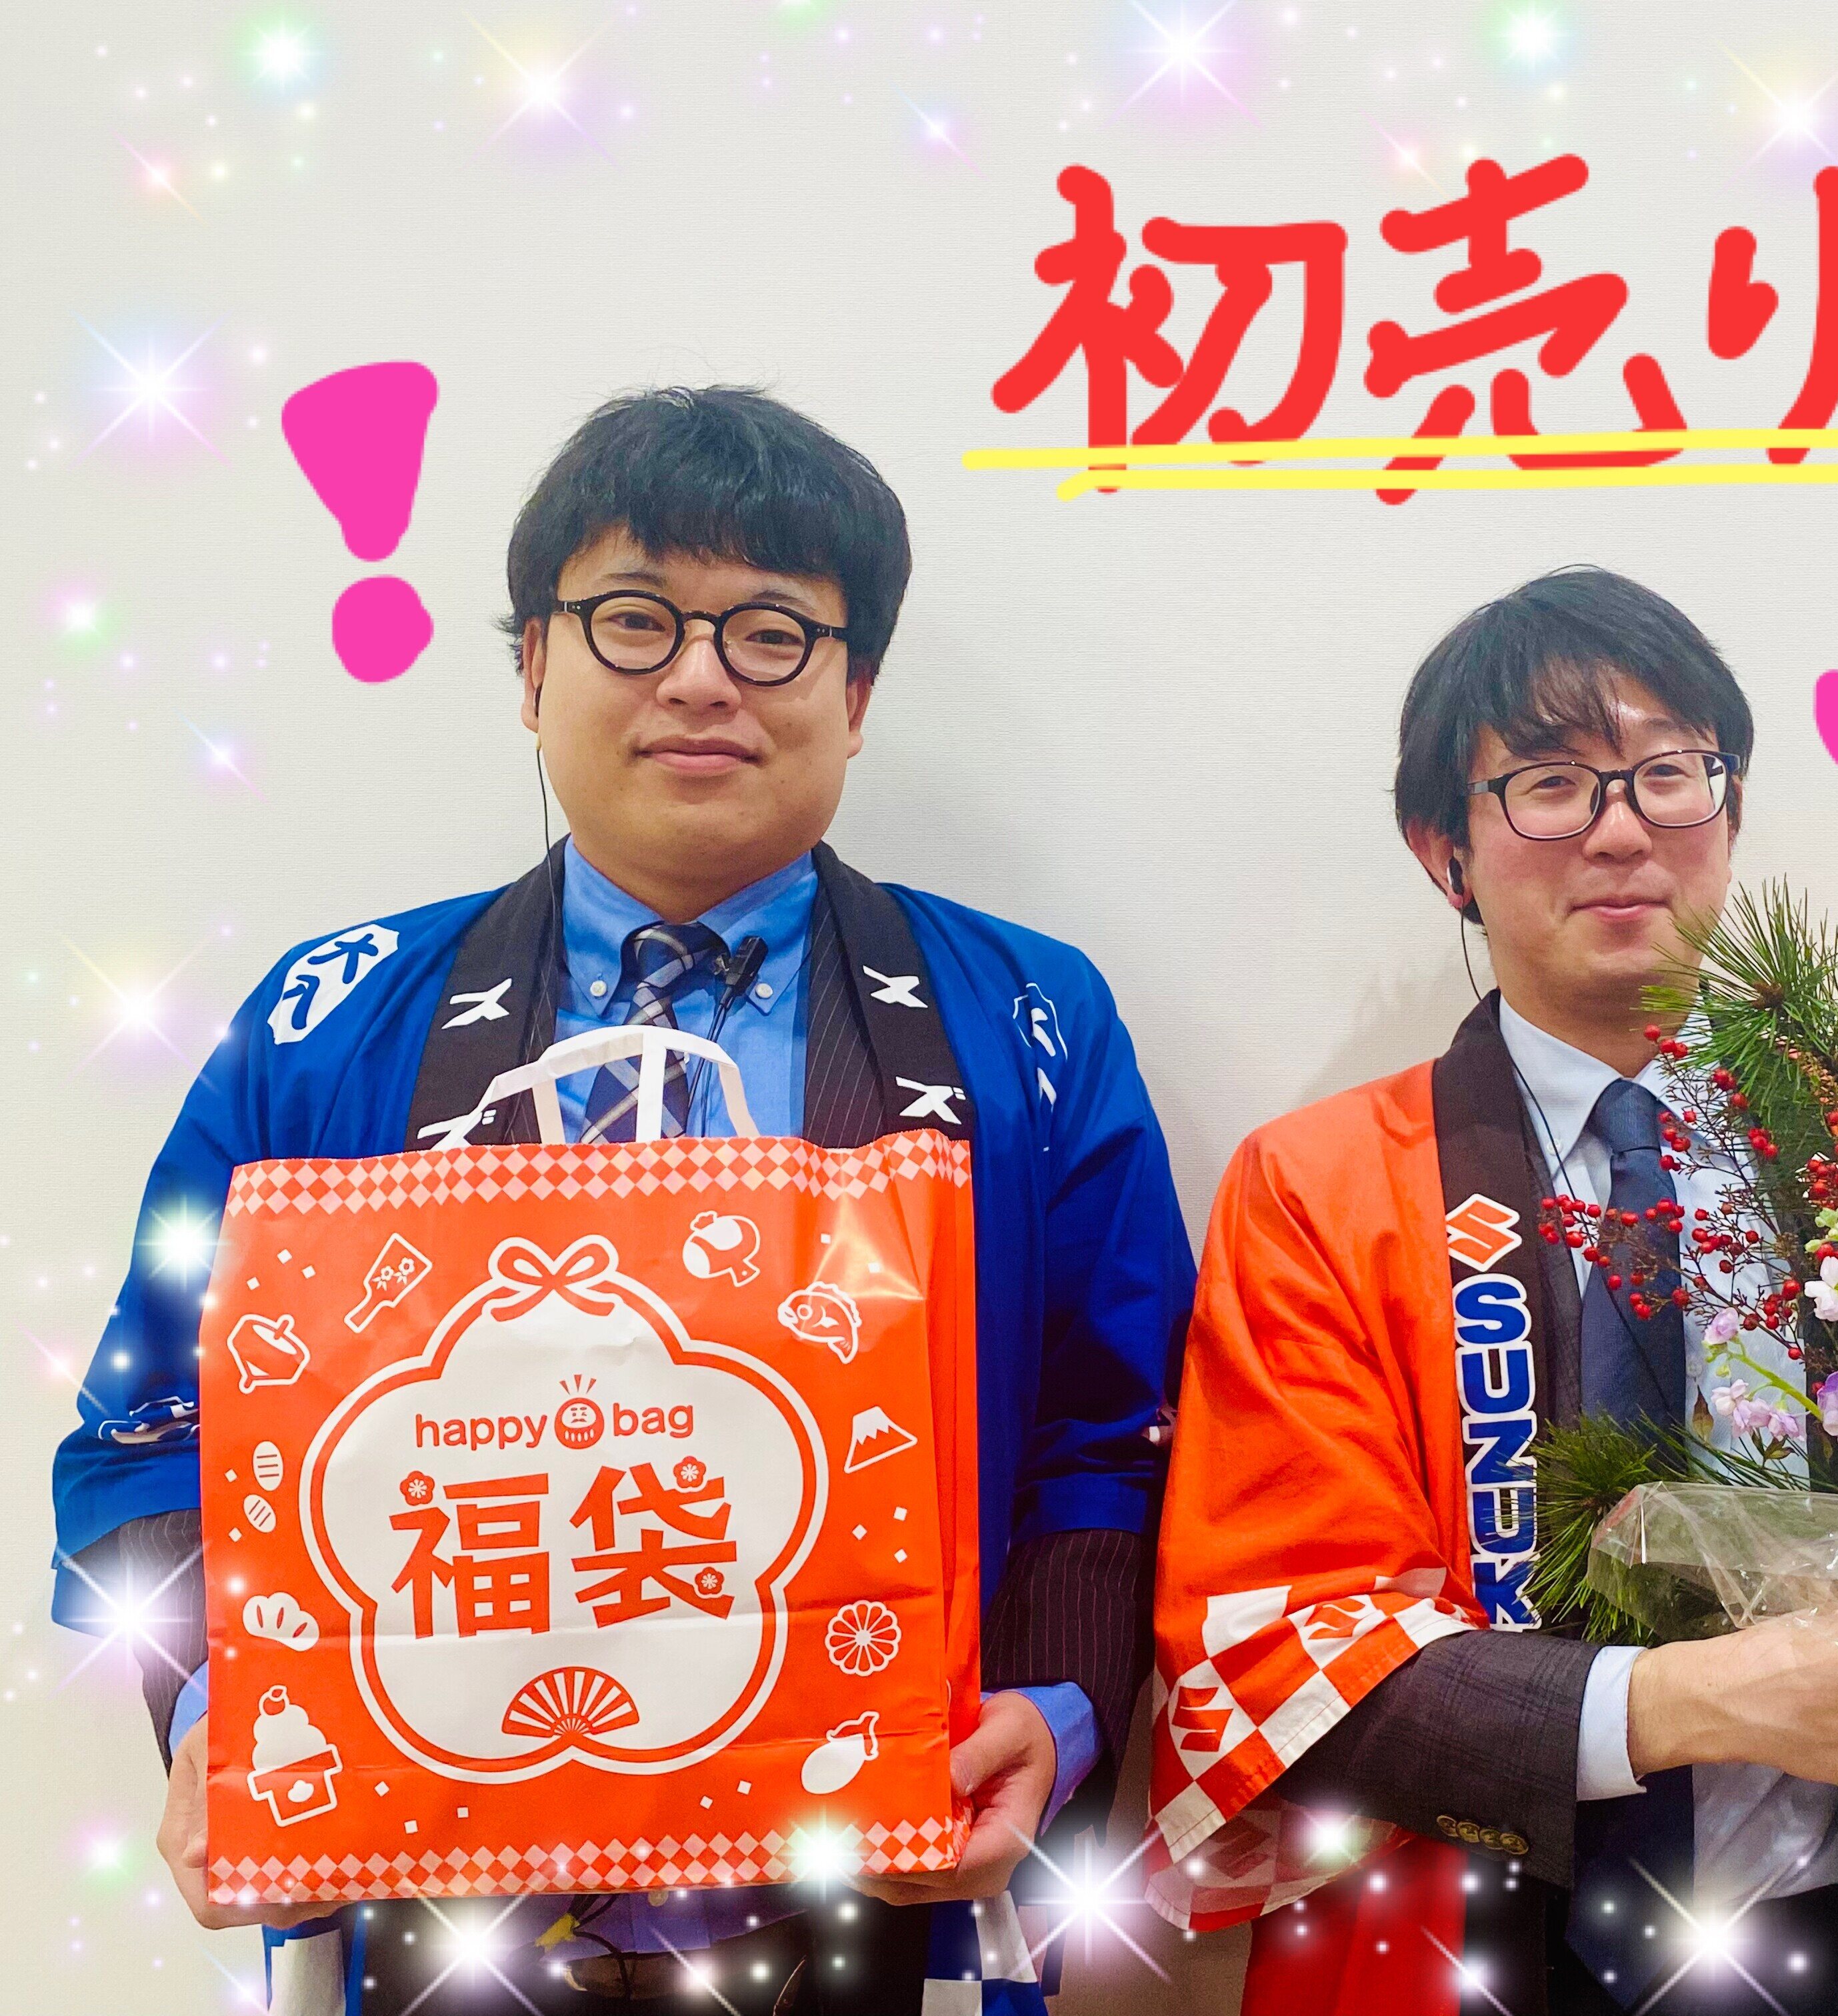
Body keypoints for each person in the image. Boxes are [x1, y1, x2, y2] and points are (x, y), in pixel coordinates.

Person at [50, 387, 1194, 2016]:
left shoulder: (1026, 1020)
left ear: (859, 694)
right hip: (443, 1912)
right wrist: (219, 1712)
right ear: (532, 667)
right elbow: (152, 1432)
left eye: (775, 634)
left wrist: (1061, 1711)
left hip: (886, 1906)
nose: (702, 679)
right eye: (635, 620)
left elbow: (1119, 1432)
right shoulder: (326, 1020)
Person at [1146, 568, 1838, 2016]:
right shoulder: (1319, 1186)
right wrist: (1696, 1703)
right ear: (1445, 851)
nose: (1620, 830)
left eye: (1670, 774)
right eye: (1550, 784)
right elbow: (1276, 1653)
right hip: (1472, 1938)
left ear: (1728, 812)